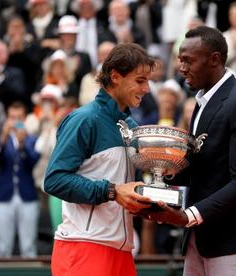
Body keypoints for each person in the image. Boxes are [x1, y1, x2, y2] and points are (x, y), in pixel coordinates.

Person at [139, 26, 236, 275]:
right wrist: (164, 176)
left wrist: (189, 215)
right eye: (180, 60)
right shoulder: (202, 102)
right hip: (199, 241)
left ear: (215, 59)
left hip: (235, 242)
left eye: (188, 60)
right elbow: (202, 168)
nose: (181, 67)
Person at [44, 43, 155, 275]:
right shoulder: (83, 119)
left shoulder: (131, 127)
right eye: (140, 80)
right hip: (83, 247)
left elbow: (129, 188)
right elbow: (54, 180)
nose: (147, 88)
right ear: (115, 76)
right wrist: (113, 191)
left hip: (122, 250)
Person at [0, 101, 40, 257]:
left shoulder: (31, 139)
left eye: (19, 117)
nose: (16, 121)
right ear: (7, 118)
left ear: (24, 118)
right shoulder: (0, 138)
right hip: (4, 196)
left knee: (29, 248)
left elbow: (33, 161)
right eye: (12, 117)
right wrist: (4, 137)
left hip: (27, 196)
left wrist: (22, 144)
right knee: (3, 248)